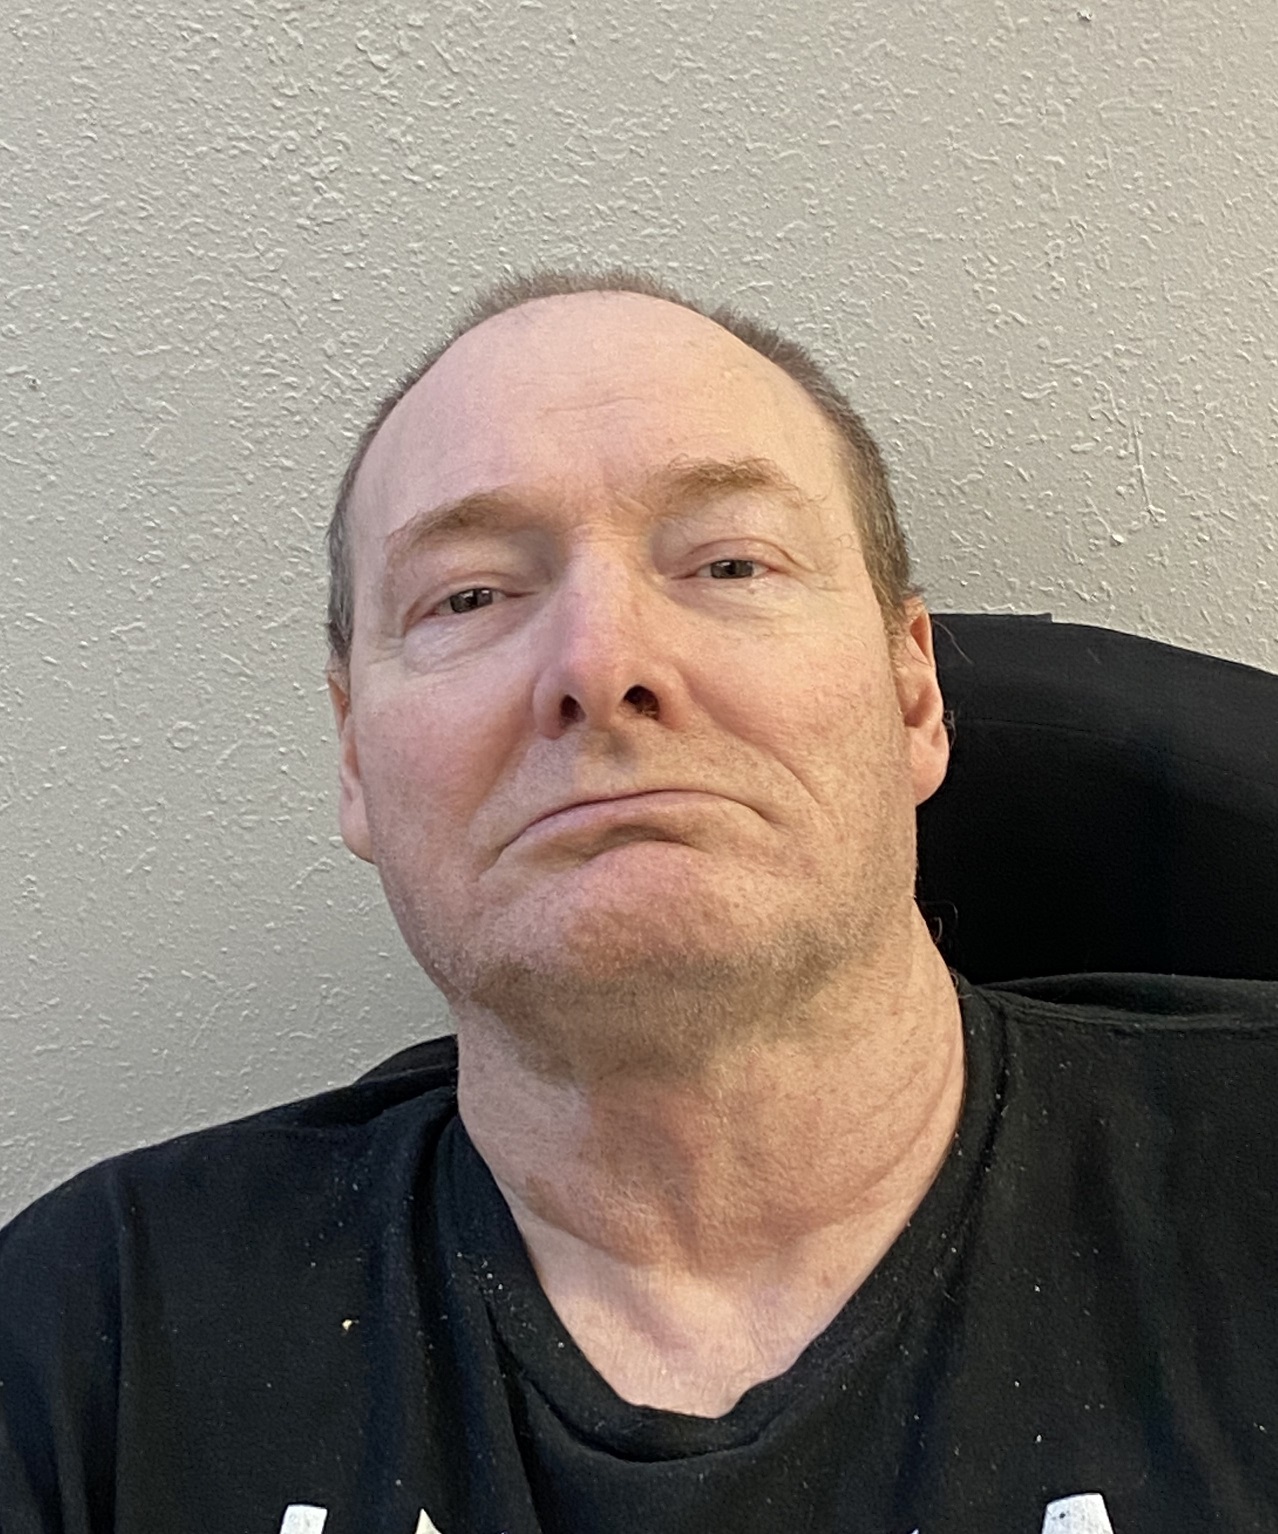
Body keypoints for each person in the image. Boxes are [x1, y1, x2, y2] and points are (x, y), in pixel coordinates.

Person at [2, 269, 1276, 1534]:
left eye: (729, 563)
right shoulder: (94, 1342)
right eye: (470, 595)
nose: (600, 662)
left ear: (912, 694)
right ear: (352, 760)